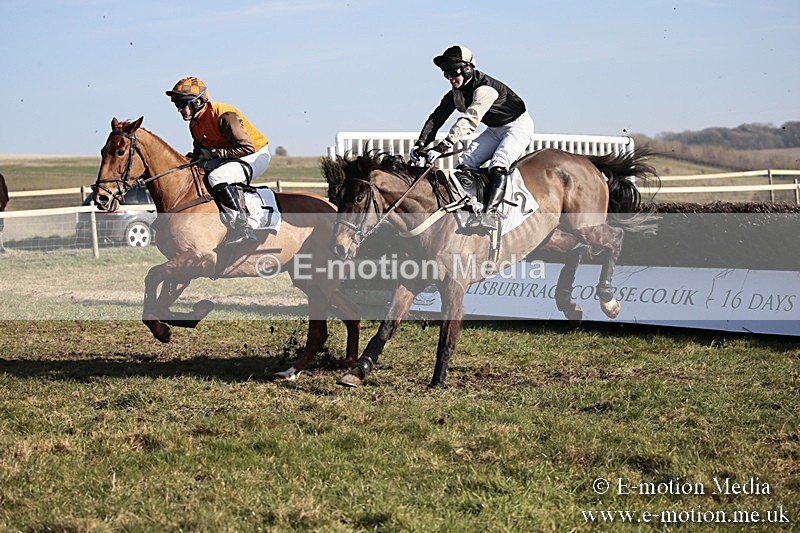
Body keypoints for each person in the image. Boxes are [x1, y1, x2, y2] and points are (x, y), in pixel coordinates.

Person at [409, 45, 534, 231]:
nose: (450, 78)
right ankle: (473, 206)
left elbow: (469, 121)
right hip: (495, 129)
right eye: (446, 74)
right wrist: (421, 144)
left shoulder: (485, 89)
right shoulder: (456, 93)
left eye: (453, 73)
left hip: (518, 127)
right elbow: (437, 117)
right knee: (464, 164)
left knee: (498, 164)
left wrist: (442, 147)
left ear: (467, 68)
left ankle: (491, 215)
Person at [166, 76, 271, 246]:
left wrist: (215, 153)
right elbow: (200, 152)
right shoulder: (195, 124)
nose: (179, 109)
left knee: (217, 177)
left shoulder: (224, 115)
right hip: (232, 156)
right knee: (198, 174)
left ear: (198, 101)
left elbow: (247, 148)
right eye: (176, 105)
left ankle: (243, 227)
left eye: (181, 104)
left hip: (255, 155)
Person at [0, 172, 8, 253]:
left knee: (0, 227)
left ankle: (1, 247)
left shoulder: (0, 176)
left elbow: (4, 189)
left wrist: (4, 201)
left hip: (0, 207)